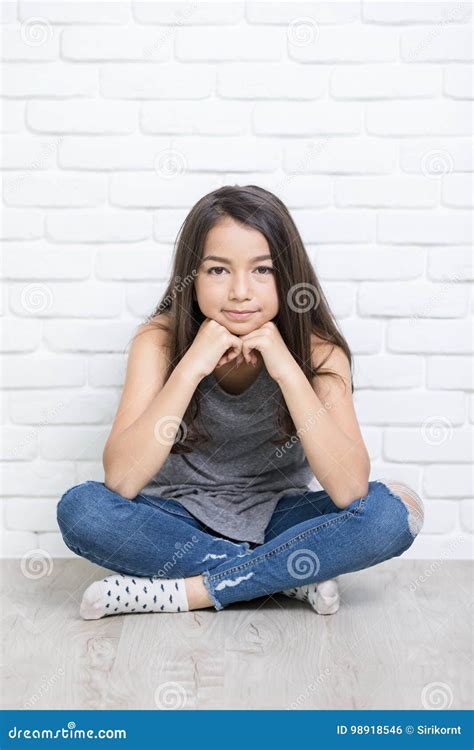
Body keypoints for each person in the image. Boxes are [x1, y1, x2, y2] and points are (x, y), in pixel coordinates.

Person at [56, 185, 424, 620]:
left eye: (262, 270)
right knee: (82, 511)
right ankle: (289, 576)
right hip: (179, 519)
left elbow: (349, 490)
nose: (240, 291)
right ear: (191, 279)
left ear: (287, 275)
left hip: (280, 518)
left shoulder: (320, 352)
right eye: (217, 271)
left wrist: (286, 367)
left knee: (393, 512)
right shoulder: (158, 341)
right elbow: (120, 480)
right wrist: (192, 365)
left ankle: (187, 592)